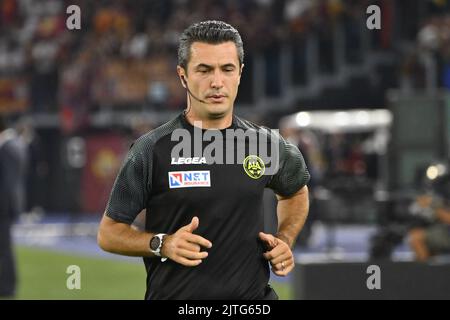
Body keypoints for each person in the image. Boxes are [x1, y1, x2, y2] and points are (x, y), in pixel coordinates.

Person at [98, 20, 310, 300]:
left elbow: (296, 191)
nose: (217, 82)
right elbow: (109, 233)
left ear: (240, 74)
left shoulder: (266, 145)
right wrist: (162, 243)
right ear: (183, 75)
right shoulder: (152, 150)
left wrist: (285, 240)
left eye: (227, 69)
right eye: (204, 70)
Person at [0, 115, 27, 298]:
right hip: (8, 205)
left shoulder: (8, 147)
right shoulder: (15, 145)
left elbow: (8, 183)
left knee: (5, 248)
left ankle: (8, 287)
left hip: (4, 206)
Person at [408, 192, 450, 261]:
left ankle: (424, 266)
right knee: (414, 235)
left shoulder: (438, 205)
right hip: (439, 231)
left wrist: (434, 208)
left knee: (416, 237)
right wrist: (425, 206)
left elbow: (447, 218)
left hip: (446, 234)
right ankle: (424, 266)